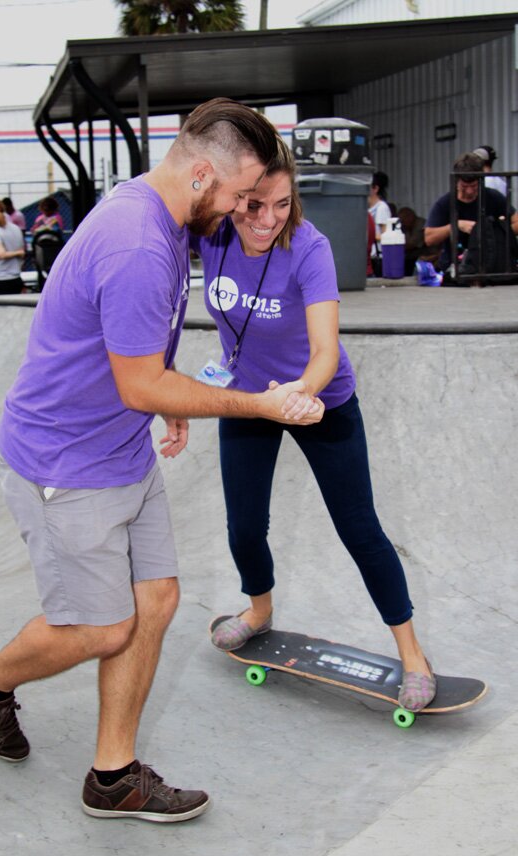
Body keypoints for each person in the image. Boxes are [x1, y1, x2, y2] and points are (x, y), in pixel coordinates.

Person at [0, 98, 324, 823]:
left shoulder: (148, 207)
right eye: (242, 196)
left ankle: (112, 775)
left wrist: (168, 397)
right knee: (101, 627)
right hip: (65, 463)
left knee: (154, 602)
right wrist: (260, 404)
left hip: (118, 449)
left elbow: (137, 354)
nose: (246, 211)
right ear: (203, 174)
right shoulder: (139, 245)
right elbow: (137, 378)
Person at [189, 137, 436, 714]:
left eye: (281, 203)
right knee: (244, 526)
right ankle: (259, 611)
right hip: (250, 401)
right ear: (233, 195)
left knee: (359, 527)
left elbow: (326, 349)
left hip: (320, 401)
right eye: (253, 204)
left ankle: (413, 654)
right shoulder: (214, 235)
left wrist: (300, 394)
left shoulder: (310, 247)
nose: (267, 219)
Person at [424, 152, 518, 275]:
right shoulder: (445, 203)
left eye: (474, 186)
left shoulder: (493, 197)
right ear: (456, 182)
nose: (469, 191)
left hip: (490, 267)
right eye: (464, 186)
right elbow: (429, 238)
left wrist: (496, 232)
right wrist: (456, 225)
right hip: (455, 268)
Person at [397, 206, 437, 276]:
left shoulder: (421, 224)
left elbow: (413, 244)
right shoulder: (406, 227)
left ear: (410, 217)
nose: (402, 223)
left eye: (403, 220)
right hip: (414, 255)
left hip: (429, 254)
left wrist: (396, 247)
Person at [367, 171, 392, 270]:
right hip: (370, 255)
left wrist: (369, 236)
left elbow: (385, 235)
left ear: (375, 188)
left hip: (377, 257)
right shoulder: (369, 208)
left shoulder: (381, 208)